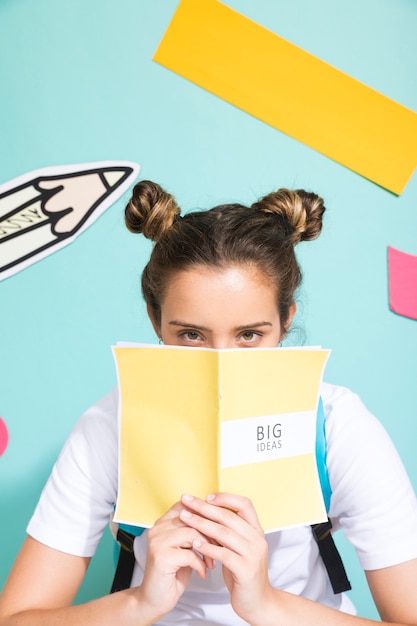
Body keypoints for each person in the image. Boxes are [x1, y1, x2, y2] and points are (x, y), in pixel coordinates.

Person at [1, 179, 417, 626]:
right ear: (154, 320)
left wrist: (265, 604)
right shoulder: (110, 426)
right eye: (191, 335)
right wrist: (140, 602)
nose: (221, 364)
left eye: (250, 335)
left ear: (286, 320)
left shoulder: (337, 426)